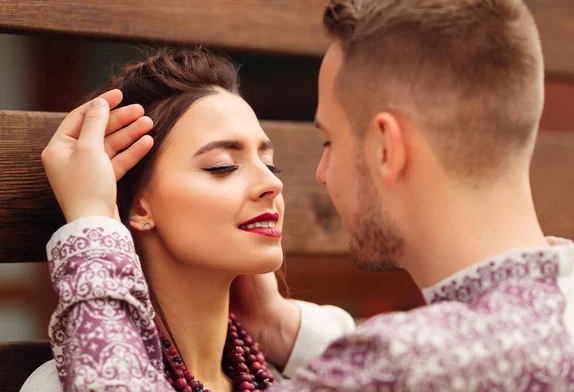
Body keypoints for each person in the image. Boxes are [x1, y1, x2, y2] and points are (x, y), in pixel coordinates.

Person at [33, 0, 574, 390]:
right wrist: (282, 329)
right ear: (141, 204)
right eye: (224, 165)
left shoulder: (405, 363)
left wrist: (92, 227)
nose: (307, 177)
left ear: (386, 148)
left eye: (327, 140)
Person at [21, 49, 355, 392]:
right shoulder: (66, 383)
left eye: (270, 164)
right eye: (223, 166)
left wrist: (275, 325)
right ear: (139, 209)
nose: (273, 184)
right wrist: (92, 214)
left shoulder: (288, 377)